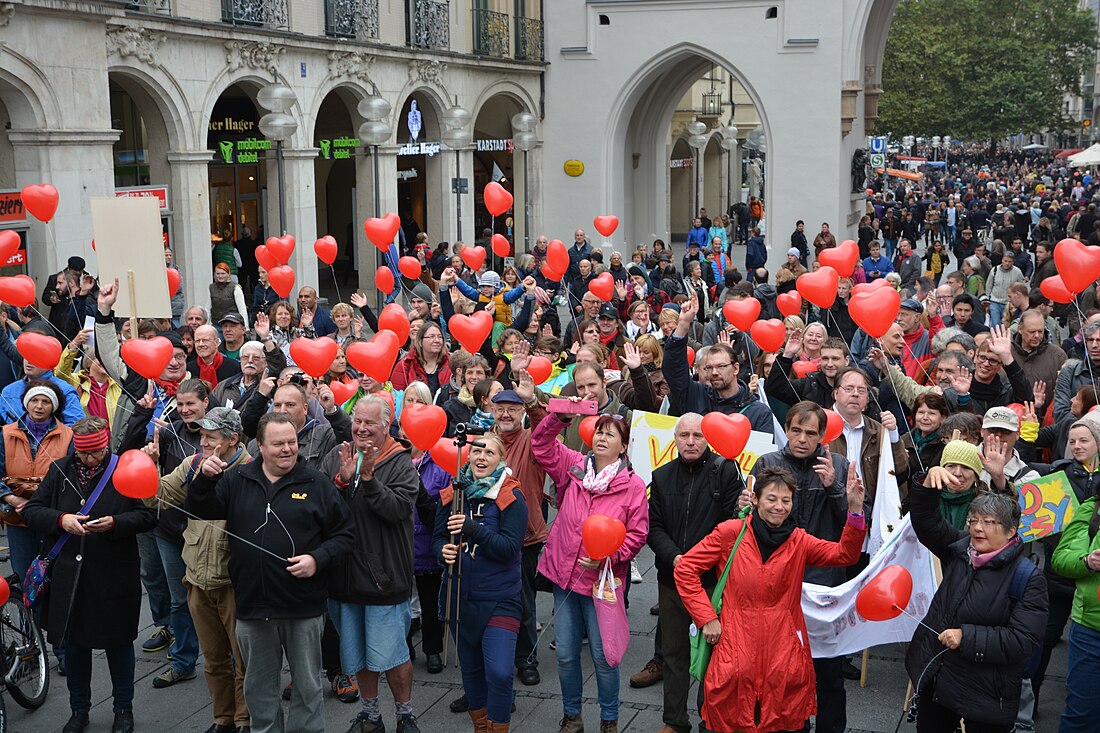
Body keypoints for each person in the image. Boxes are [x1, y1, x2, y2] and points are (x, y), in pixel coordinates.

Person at [186, 412, 355, 733]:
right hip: (252, 606)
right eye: (278, 444)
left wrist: (317, 559)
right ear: (260, 445)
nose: (287, 449)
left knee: (307, 687)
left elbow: (345, 535)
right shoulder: (237, 480)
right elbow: (201, 509)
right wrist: (205, 480)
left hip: (303, 607)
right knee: (259, 689)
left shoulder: (316, 482)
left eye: (292, 442)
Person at [674, 464, 866, 733]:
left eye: (786, 500)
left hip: (783, 651)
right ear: (755, 499)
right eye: (771, 499)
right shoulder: (730, 533)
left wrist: (855, 511)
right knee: (728, 717)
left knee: (784, 717)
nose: (779, 507)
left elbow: (845, 554)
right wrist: (706, 618)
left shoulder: (799, 541)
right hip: (734, 647)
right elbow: (685, 569)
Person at [22, 417, 158, 733]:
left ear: (105, 445)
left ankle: (123, 710)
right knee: (76, 647)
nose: (89, 460)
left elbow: (149, 515)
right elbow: (31, 511)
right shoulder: (59, 470)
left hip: (113, 574)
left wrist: (115, 523)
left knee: (119, 646)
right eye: (84, 454)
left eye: (95, 453)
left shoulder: (125, 468)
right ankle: (78, 711)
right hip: (70, 577)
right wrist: (62, 519)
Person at [532, 408, 649, 733]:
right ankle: (573, 716)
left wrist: (609, 558)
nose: (602, 438)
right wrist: (560, 415)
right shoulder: (573, 467)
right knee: (567, 655)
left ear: (623, 446)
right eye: (599, 431)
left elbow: (638, 535)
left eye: (610, 434)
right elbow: (540, 445)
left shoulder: (633, 486)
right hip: (565, 580)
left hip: (602, 586)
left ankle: (609, 720)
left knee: (604, 658)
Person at [907, 469, 1047, 733]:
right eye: (974, 520)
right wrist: (926, 484)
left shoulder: (1026, 576)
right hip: (940, 677)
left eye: (989, 522)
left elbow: (1023, 640)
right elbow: (926, 522)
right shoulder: (960, 550)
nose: (978, 528)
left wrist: (966, 637)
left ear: (1011, 531)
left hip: (987, 691)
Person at [320, 396, 423, 733]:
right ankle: (370, 714)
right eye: (358, 422)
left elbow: (397, 510)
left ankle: (405, 715)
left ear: (386, 425)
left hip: (384, 578)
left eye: (370, 423)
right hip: (345, 577)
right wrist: (340, 482)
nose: (362, 429)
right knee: (358, 654)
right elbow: (323, 511)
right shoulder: (341, 455)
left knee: (392, 654)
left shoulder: (400, 462)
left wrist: (368, 480)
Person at [152, 406, 252, 733]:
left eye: (211, 437)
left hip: (234, 584)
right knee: (213, 660)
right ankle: (222, 719)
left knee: (244, 662)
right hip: (197, 578)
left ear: (233, 439)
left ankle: (244, 720)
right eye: (202, 436)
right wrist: (146, 468)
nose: (203, 442)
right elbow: (158, 496)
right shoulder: (192, 464)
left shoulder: (251, 470)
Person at [646, 412, 743, 733]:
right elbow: (654, 528)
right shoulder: (660, 477)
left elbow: (731, 525)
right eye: (684, 435)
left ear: (708, 439)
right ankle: (673, 721)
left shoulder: (726, 471)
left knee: (714, 657)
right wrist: (676, 559)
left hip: (712, 584)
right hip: (672, 579)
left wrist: (697, 562)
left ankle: (709, 719)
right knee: (674, 654)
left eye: (697, 436)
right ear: (674, 439)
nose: (690, 442)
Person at [433, 431, 527, 733]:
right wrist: (441, 551)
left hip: (500, 597)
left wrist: (473, 529)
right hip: (460, 594)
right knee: (471, 673)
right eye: (476, 452)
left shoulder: (511, 497)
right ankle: (480, 727)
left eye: (489, 453)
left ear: (501, 459)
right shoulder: (453, 492)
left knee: (499, 673)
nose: (481, 458)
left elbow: (509, 549)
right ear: (468, 456)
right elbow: (437, 537)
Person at [664, 297, 773, 432]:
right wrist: (683, 324)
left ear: (735, 368)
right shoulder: (696, 395)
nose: (714, 372)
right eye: (709, 367)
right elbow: (673, 370)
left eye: (721, 366)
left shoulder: (759, 413)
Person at [0, 380, 73, 580]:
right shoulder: (5, 434)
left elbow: (71, 478)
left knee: (52, 577)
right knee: (24, 577)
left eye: (45, 401)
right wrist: (11, 499)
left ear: (54, 406)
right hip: (17, 516)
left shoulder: (68, 436)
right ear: (26, 403)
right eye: (34, 400)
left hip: (51, 516)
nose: (39, 406)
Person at [391, 320, 452, 395]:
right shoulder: (405, 365)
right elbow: (396, 397)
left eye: (440, 337)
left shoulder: (451, 363)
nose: (437, 340)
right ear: (420, 341)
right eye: (431, 336)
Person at [188, 325, 242, 389]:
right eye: (197, 341)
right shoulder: (189, 369)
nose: (201, 344)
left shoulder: (233, 367)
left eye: (205, 340)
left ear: (216, 342)